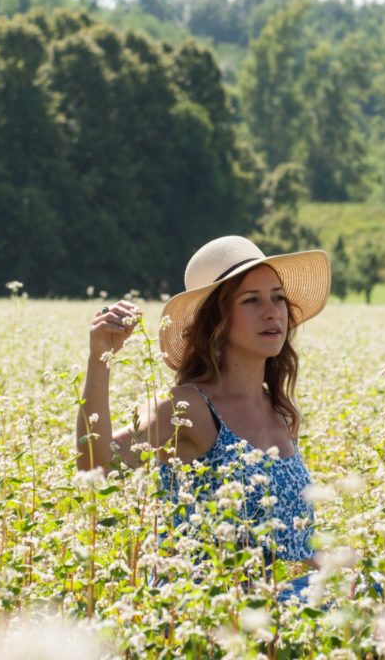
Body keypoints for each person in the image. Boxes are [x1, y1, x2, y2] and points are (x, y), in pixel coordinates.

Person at [75, 235, 331, 601]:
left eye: (277, 297)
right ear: (217, 321)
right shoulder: (188, 407)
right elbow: (95, 467)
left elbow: (296, 546)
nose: (272, 311)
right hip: (206, 611)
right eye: (251, 300)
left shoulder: (277, 410)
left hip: (278, 612)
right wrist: (100, 358)